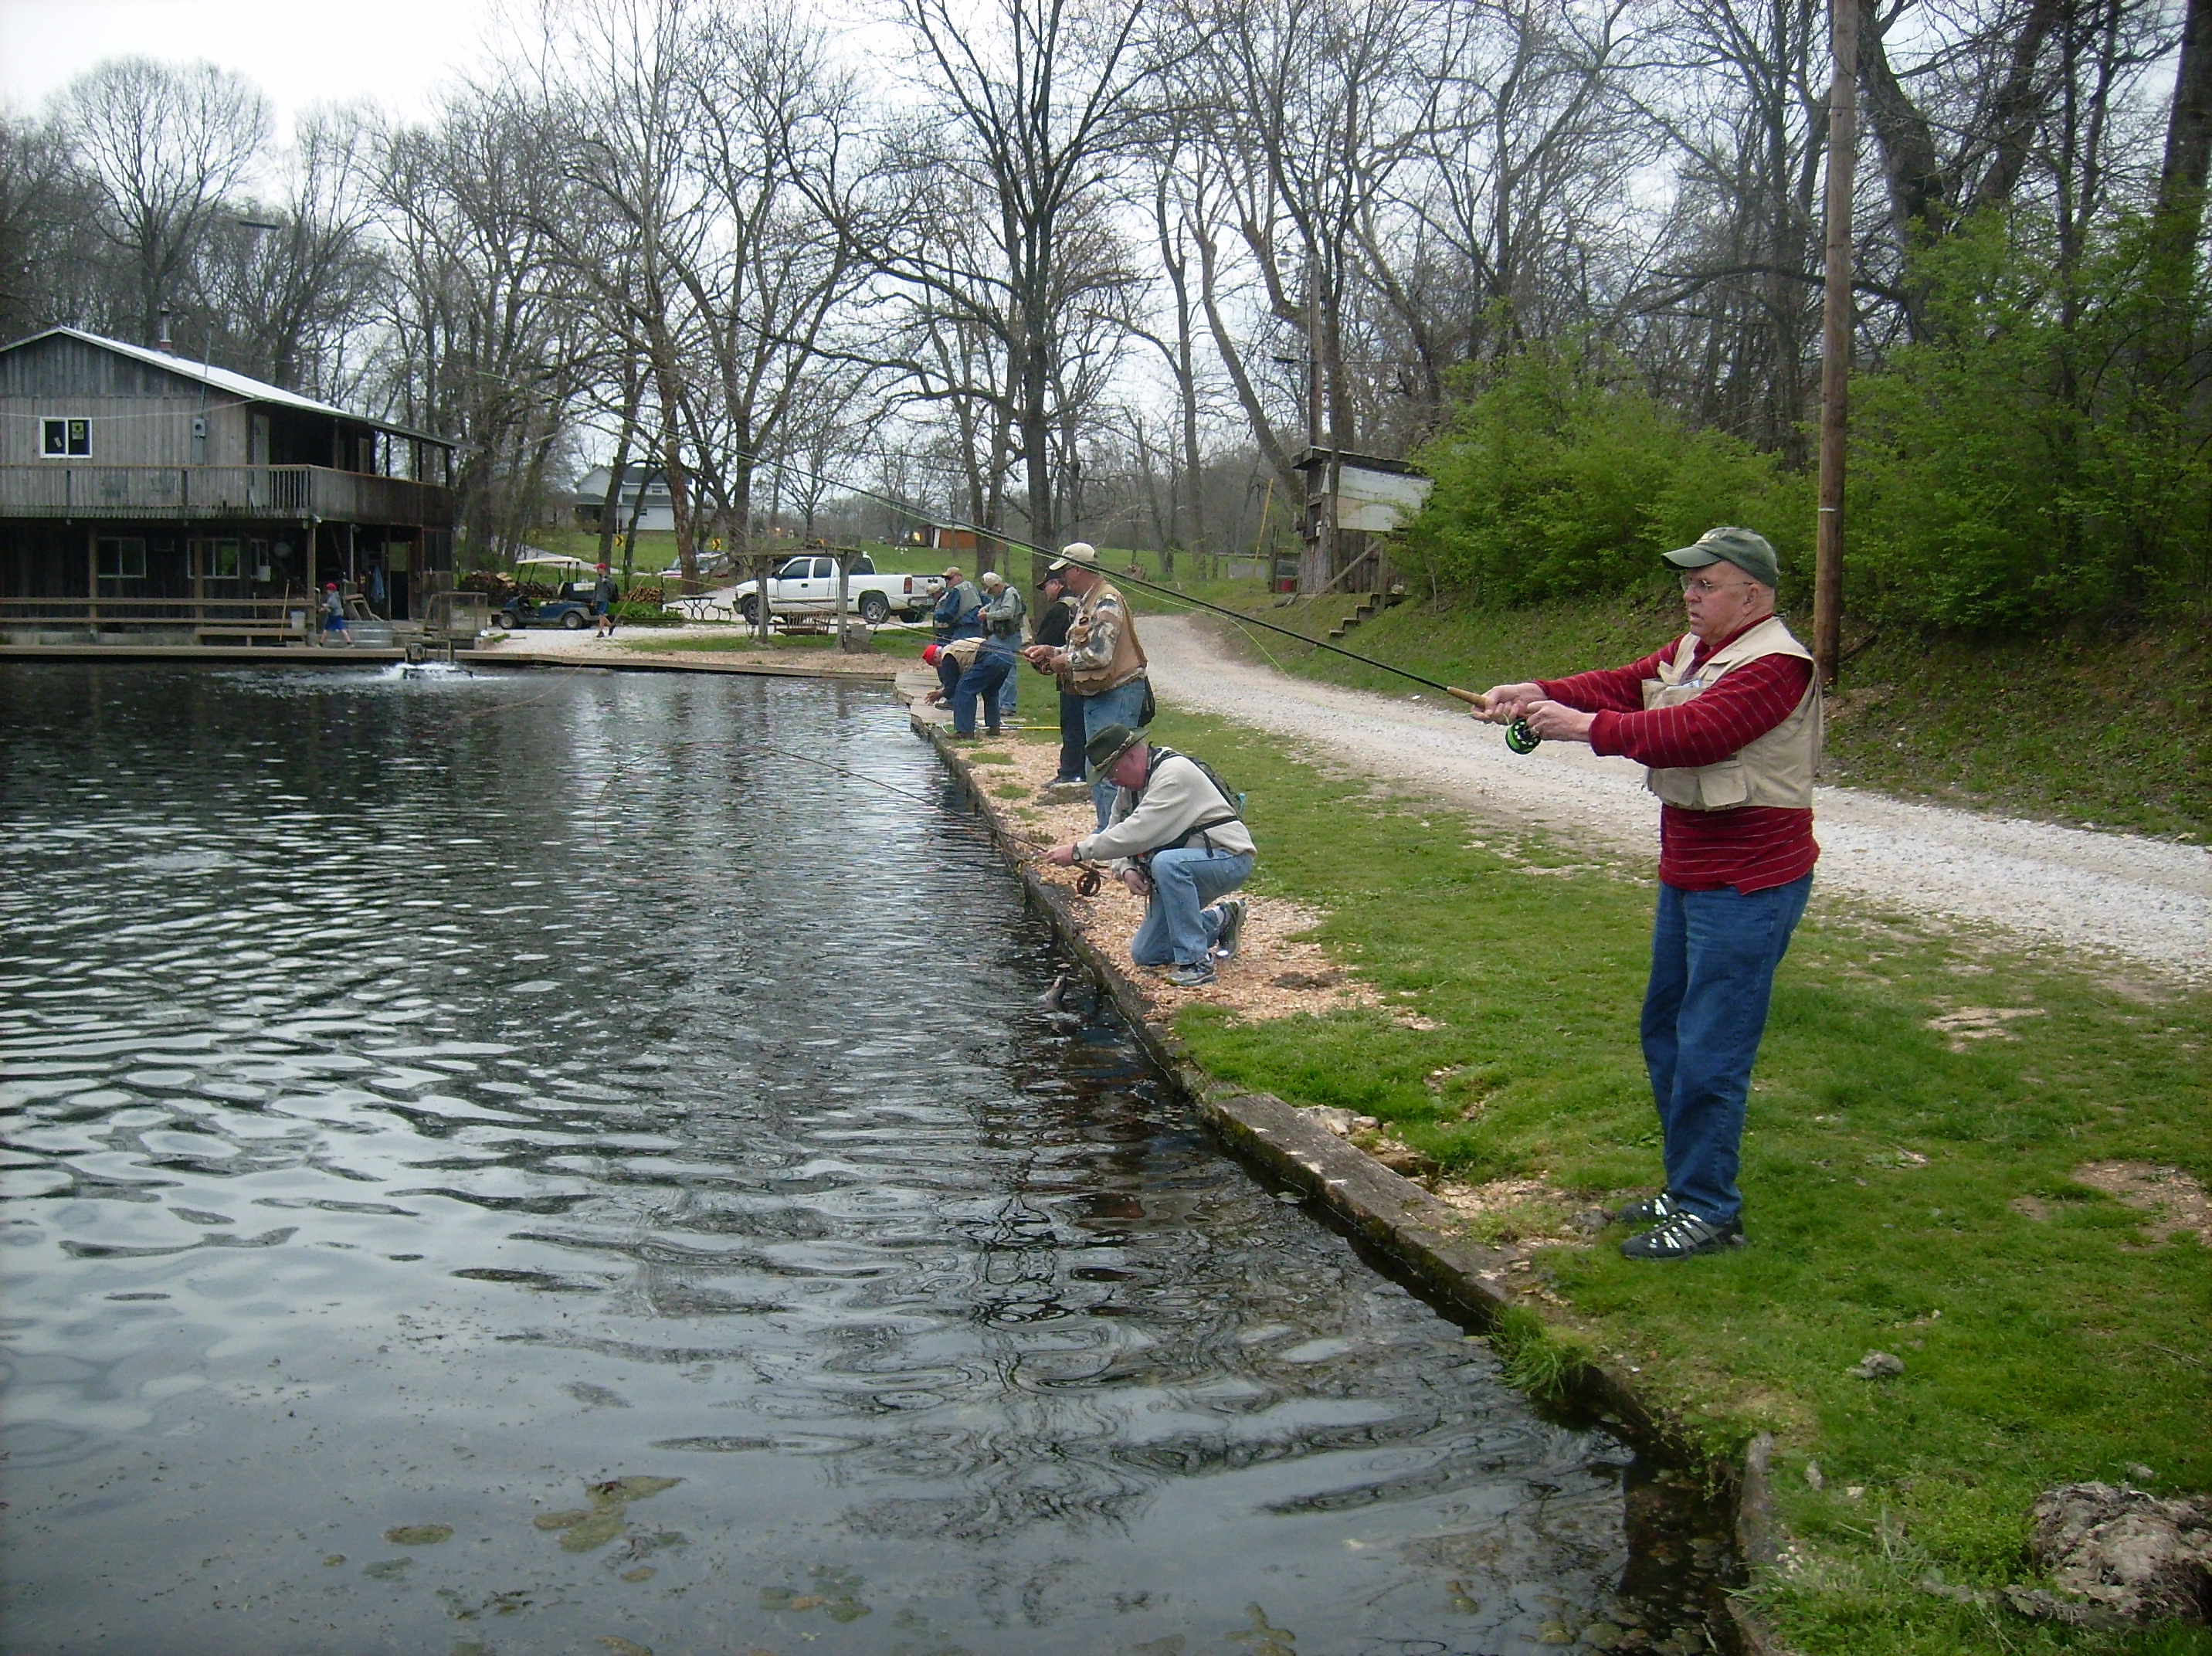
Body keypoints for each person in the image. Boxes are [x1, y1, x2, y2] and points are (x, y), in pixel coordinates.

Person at [1476, 526, 1820, 1261]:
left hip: (1750, 883)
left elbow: (1697, 732)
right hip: (1691, 874)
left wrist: (1584, 729)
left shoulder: (1776, 666)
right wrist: (1538, 692)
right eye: (1687, 583)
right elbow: (1625, 683)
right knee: (1665, 1033)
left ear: (1751, 594)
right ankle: (1687, 1185)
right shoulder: (1698, 649)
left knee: (1711, 1049)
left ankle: (1710, 1212)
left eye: (1705, 584)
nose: (1689, 596)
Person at [1046, 724, 1253, 989]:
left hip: (1229, 859)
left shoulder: (1173, 775)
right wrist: (1127, 870)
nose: (1111, 781)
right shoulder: (1130, 788)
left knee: (1166, 864)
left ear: (1131, 756)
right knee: (1147, 954)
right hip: (1186, 866)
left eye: (1111, 772)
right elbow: (1116, 834)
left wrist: (1077, 851)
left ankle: (1196, 963)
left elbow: (1136, 833)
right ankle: (1223, 919)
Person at [1020, 543, 1151, 828]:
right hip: (1099, 696)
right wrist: (1049, 651)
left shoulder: (1107, 601)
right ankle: (1108, 833)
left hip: (1118, 694)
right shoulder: (1087, 601)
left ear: (1077, 569)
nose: (1064, 578)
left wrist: (1064, 662)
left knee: (1111, 770)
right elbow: (1078, 648)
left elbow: (1099, 655)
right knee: (1098, 768)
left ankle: (1116, 838)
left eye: (1065, 571)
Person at [1029, 570, 1085, 789]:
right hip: (1090, 678)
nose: (1044, 592)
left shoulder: (1061, 609)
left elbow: (1046, 641)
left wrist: (1038, 658)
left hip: (1072, 679)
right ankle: (1083, 772)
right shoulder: (1083, 601)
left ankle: (1070, 773)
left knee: (1071, 727)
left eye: (1045, 587)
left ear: (1056, 583)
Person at [922, 637, 1013, 736]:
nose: (939, 667)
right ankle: (994, 727)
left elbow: (952, 687)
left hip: (991, 657)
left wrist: (940, 694)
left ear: (936, 657)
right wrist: (943, 691)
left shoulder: (947, 656)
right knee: (990, 691)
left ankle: (965, 731)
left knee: (964, 690)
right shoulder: (954, 647)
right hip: (1007, 655)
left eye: (936, 664)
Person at [978, 569, 1025, 727]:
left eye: (991, 590)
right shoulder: (1001, 594)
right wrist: (986, 608)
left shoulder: (1010, 593)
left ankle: (1008, 706)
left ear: (997, 585)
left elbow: (1007, 612)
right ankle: (1001, 704)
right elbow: (995, 604)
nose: (991, 593)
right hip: (999, 636)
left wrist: (988, 616)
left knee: (1008, 670)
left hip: (1009, 637)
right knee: (998, 669)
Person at [931, 565, 982, 644]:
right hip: (978, 630)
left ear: (959, 577)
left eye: (949, 578)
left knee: (957, 654)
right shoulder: (972, 587)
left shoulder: (957, 590)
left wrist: (936, 614)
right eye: (946, 579)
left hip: (963, 631)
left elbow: (948, 612)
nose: (947, 581)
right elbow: (987, 602)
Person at [321, 582, 351, 646]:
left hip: (335, 615)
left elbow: (333, 606)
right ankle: (349, 642)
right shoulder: (334, 596)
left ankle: (321, 643)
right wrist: (324, 609)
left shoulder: (333, 597)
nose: (327, 591)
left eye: (328, 589)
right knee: (339, 628)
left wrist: (326, 605)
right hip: (335, 615)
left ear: (331, 590)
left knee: (330, 628)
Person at [593, 562, 619, 637]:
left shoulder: (608, 578)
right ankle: (610, 626)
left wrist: (607, 582)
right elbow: (596, 589)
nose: (597, 570)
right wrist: (593, 600)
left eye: (598, 569)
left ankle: (601, 631)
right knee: (600, 615)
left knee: (601, 614)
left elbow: (613, 587)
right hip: (598, 599)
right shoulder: (598, 579)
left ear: (602, 569)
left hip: (605, 599)